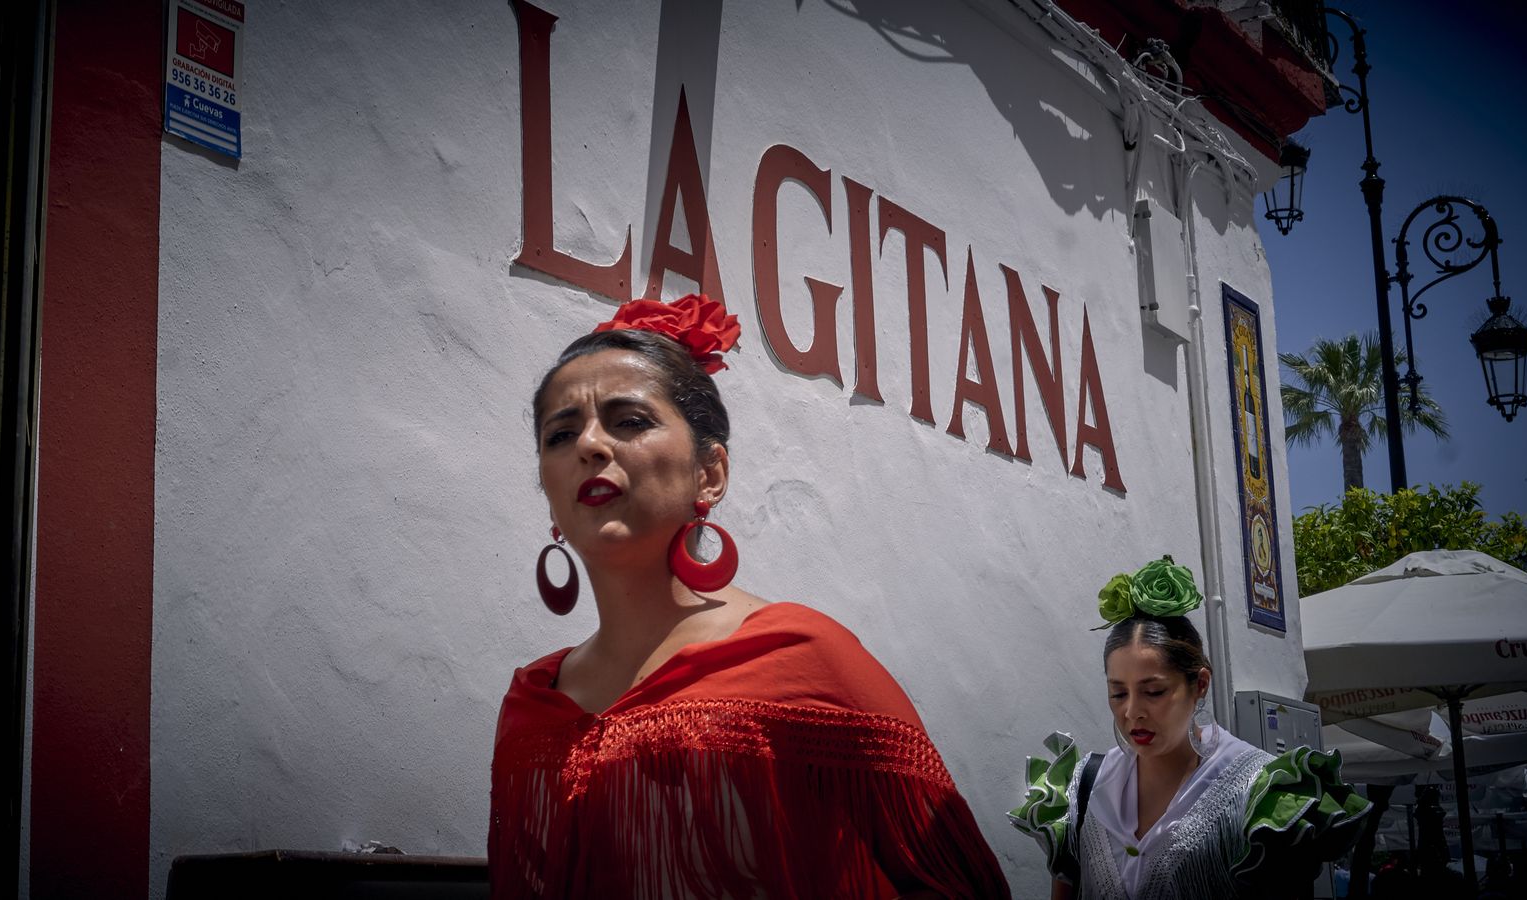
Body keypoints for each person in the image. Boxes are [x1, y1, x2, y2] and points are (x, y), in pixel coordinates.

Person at [489, 294, 1009, 899]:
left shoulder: (804, 658)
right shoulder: (531, 706)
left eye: (630, 421)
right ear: (549, 492)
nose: (590, 446)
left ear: (709, 473)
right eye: (561, 433)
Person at [1008, 556, 1371, 899]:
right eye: (1118, 693)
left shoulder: (1259, 793)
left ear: (1200, 685)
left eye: (1154, 691)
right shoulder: (1083, 788)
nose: (1133, 711)